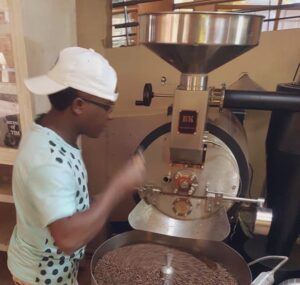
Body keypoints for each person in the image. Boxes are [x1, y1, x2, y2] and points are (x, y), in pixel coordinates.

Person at [7, 47, 145, 285]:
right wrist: (118, 187)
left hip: (55, 268)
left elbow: (60, 202)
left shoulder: (52, 132)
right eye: (107, 106)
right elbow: (68, 239)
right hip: (40, 277)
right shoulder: (48, 161)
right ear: (79, 105)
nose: (110, 116)